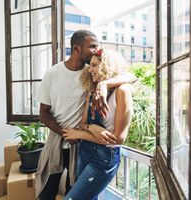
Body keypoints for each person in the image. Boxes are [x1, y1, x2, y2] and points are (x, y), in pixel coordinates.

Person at [35, 30, 136, 200]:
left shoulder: (93, 73)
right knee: (46, 190)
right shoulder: (54, 74)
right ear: (76, 48)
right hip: (62, 140)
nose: (96, 49)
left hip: (82, 145)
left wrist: (104, 84)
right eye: (92, 46)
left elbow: (131, 76)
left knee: (73, 190)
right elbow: (43, 113)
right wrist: (67, 133)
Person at [63, 48, 133, 200]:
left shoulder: (122, 91)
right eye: (90, 65)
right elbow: (83, 123)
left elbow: (117, 139)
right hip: (85, 150)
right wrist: (91, 128)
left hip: (104, 158)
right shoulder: (92, 90)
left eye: (94, 65)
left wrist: (80, 134)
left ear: (107, 65)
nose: (90, 70)